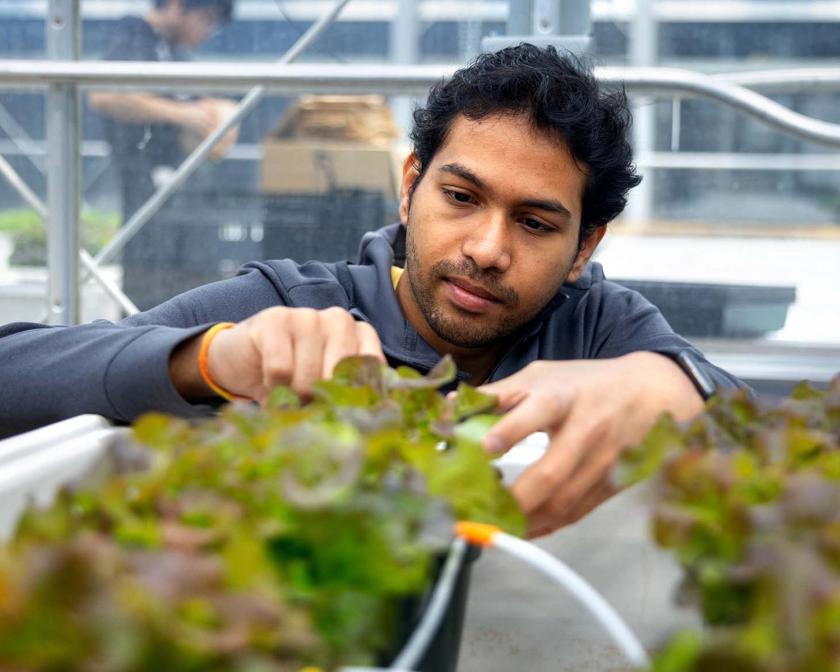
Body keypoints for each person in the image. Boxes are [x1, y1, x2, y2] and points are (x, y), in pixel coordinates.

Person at [0, 45, 744, 536]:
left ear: (585, 247)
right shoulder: (289, 303)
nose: (487, 249)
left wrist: (681, 385)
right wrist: (212, 361)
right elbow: (16, 372)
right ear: (410, 186)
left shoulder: (606, 331)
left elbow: (780, 443)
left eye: (536, 223)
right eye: (460, 198)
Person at [88, 0, 239, 309]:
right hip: (145, 190)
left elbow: (207, 129)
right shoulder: (134, 34)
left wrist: (220, 113)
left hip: (181, 202)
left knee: (189, 294)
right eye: (205, 19)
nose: (207, 32)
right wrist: (185, 115)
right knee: (147, 298)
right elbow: (106, 94)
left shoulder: (174, 54)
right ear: (175, 6)